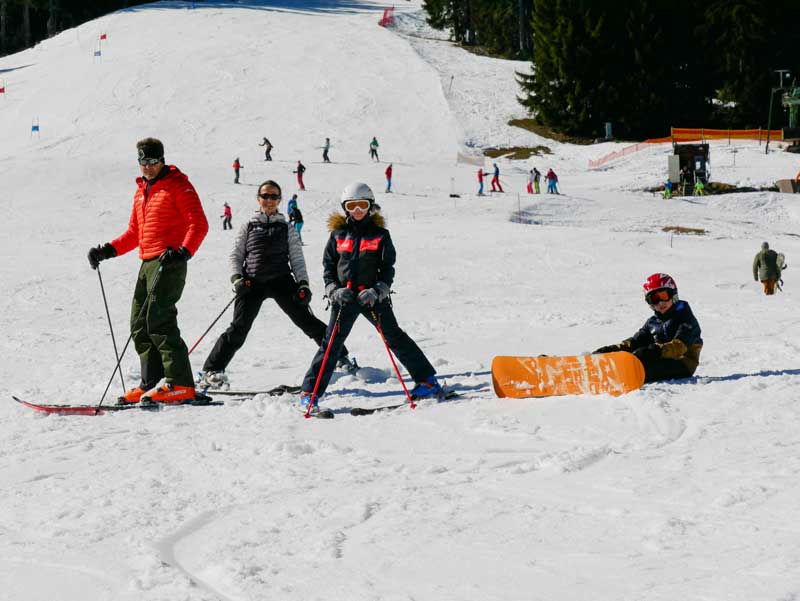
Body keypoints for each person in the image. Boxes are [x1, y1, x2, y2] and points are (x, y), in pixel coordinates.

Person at [297, 182, 442, 414]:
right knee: (331, 344)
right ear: (345, 208)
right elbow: (328, 267)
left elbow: (388, 268)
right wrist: (333, 289)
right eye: (352, 206)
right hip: (344, 298)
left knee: (394, 337)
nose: (357, 210)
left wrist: (377, 291)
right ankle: (309, 393)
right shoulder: (337, 235)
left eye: (362, 205)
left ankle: (427, 381)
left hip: (372, 298)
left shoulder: (381, 235)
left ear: (370, 206)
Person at [198, 180, 356, 389]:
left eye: (274, 196)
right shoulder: (249, 225)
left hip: (282, 280)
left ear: (279, 200)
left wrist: (303, 285)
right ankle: (212, 370)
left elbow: (297, 259)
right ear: (258, 199)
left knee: (306, 321)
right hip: (252, 282)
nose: (269, 200)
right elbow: (236, 255)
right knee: (239, 327)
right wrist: (237, 279)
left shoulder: (286, 227)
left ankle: (339, 356)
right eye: (265, 196)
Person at [87, 137, 209, 405]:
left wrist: (183, 252)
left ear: (162, 159)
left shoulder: (179, 186)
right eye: (143, 161)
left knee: (159, 319)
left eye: (153, 161)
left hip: (169, 261)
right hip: (147, 262)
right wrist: (107, 251)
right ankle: (151, 383)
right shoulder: (142, 190)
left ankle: (180, 384)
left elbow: (198, 223)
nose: (148, 166)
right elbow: (135, 233)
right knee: (139, 324)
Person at [593, 273, 702, 383]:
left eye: (664, 296)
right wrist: (612, 350)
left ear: (673, 294)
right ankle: (599, 372)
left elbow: (679, 346)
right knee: (638, 356)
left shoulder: (685, 317)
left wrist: (655, 351)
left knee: (641, 364)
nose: (660, 303)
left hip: (684, 363)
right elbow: (635, 342)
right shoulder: (653, 322)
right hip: (660, 359)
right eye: (654, 299)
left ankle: (615, 377)